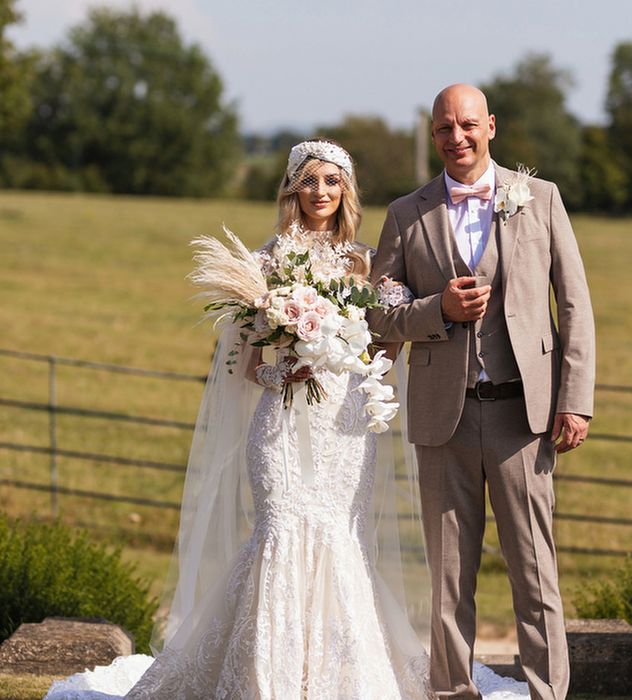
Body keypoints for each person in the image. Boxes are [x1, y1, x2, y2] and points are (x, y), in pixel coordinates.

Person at [44, 140, 433, 700]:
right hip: (280, 422)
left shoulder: (369, 262)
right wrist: (284, 375)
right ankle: (265, 680)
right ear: (292, 188)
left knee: (338, 540)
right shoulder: (264, 262)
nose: (320, 192)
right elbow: (247, 362)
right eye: (309, 181)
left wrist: (361, 364)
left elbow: (389, 338)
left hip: (344, 424)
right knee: (276, 532)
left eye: (332, 182)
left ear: (347, 191)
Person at [367, 84, 596, 700]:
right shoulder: (404, 214)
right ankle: (452, 693)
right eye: (444, 127)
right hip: (443, 417)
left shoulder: (540, 199)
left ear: (491, 126)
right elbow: (379, 315)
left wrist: (574, 399)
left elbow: (573, 303)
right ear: (432, 134)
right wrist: (434, 310)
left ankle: (549, 693)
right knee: (447, 576)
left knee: (534, 570)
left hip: (525, 413)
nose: (456, 137)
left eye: (467, 124)